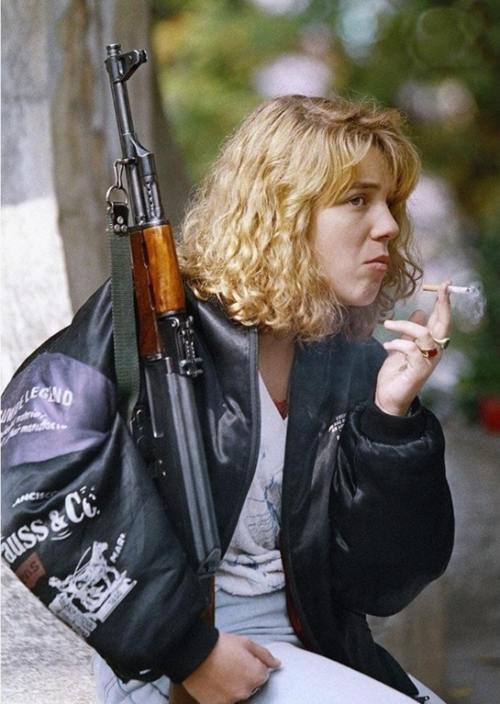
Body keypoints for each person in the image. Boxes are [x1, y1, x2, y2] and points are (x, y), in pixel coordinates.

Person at [1, 95, 453, 704]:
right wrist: (187, 649)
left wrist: (392, 421)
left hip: (314, 652)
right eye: (357, 199)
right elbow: (27, 476)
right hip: (175, 664)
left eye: (391, 202)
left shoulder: (354, 359)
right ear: (283, 211)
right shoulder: (148, 318)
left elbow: (383, 586)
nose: (390, 226)